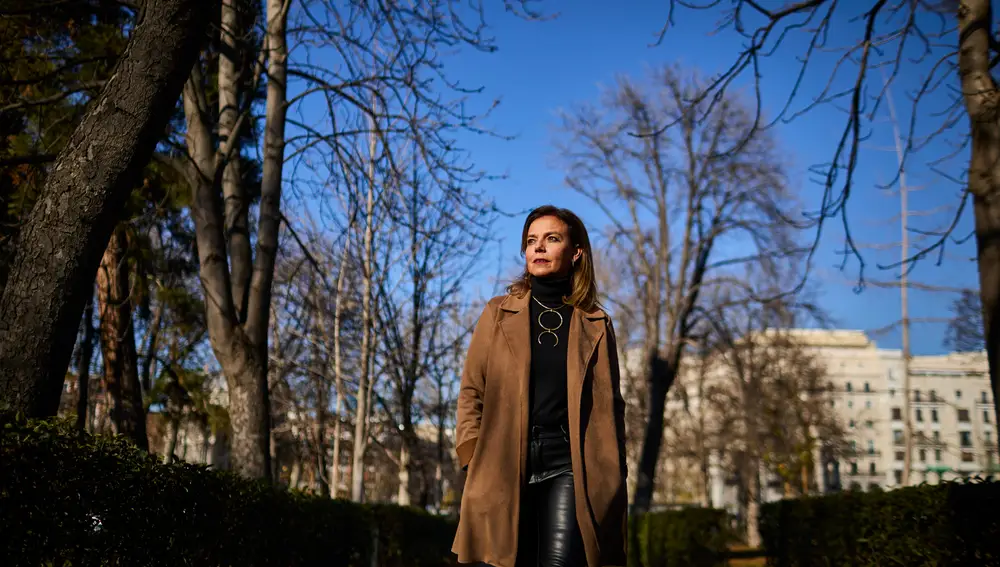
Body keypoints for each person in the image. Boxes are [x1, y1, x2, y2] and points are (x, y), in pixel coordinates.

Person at [451, 205, 628, 567]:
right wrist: (471, 454)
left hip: (569, 463)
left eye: (552, 238)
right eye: (532, 241)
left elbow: (611, 404)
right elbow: (472, 390)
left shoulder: (596, 323)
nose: (539, 247)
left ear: (575, 252)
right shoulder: (497, 313)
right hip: (501, 459)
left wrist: (614, 468)